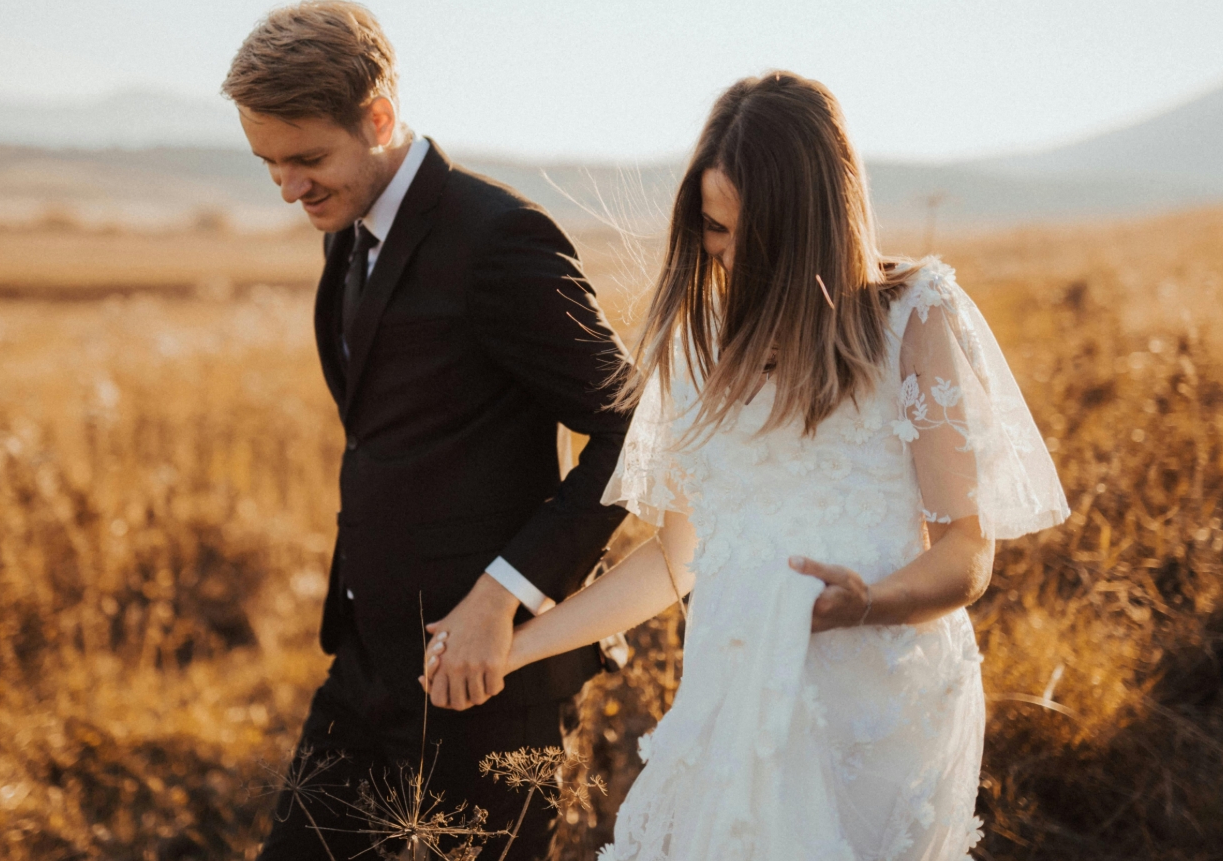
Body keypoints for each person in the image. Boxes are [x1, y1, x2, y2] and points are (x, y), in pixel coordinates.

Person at [426, 72, 1070, 860]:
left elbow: (968, 554)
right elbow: (673, 560)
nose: (724, 255)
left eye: (746, 235)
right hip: (729, 705)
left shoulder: (913, 318)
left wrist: (870, 602)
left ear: (813, 225)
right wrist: (517, 644)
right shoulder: (695, 347)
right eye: (712, 227)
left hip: (875, 714)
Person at [222, 3, 631, 858]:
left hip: (486, 681)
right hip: (367, 665)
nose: (289, 189)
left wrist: (499, 596)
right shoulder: (351, 233)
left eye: (307, 159)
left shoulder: (499, 239)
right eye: (268, 164)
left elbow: (634, 426)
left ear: (377, 118)